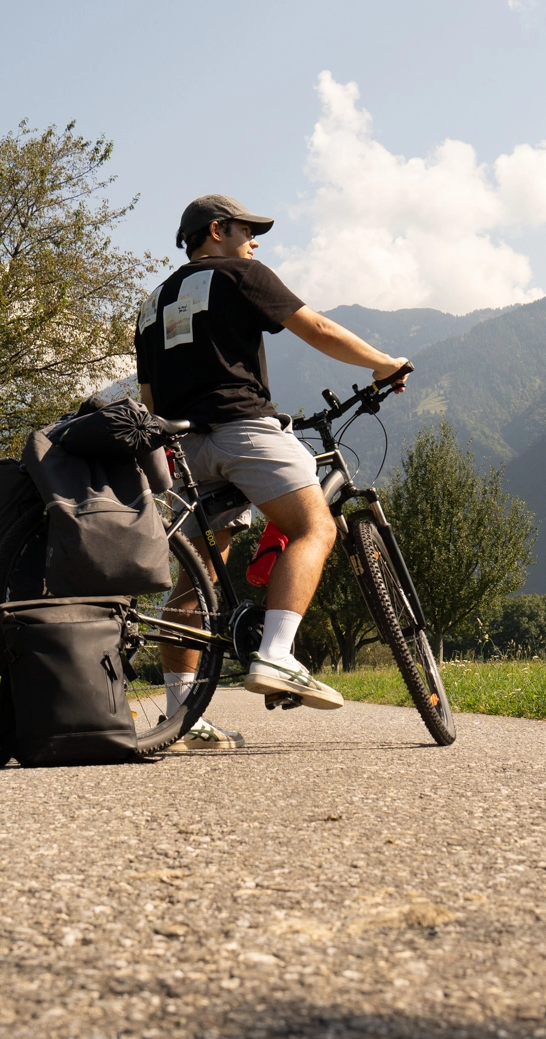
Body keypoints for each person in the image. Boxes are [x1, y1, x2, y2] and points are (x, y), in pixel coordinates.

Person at [135, 193, 410, 743]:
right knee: (315, 527)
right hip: (243, 429)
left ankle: (180, 717)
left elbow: (148, 394)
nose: (254, 240)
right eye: (246, 229)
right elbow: (317, 329)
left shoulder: (152, 302)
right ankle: (277, 655)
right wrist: (385, 364)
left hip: (183, 448)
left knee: (197, 578)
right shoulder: (242, 274)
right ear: (217, 230)